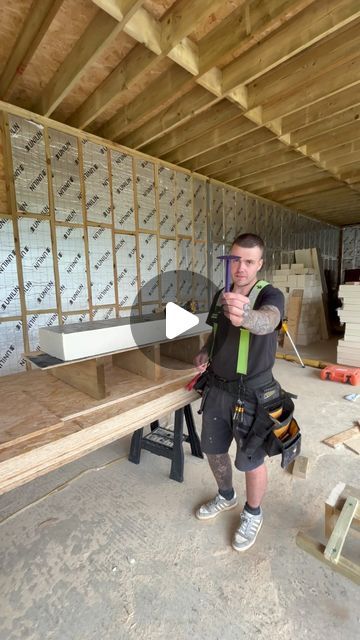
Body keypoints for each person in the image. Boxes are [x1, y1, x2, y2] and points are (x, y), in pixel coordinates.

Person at [194, 233, 285, 552]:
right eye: (235, 260)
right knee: (213, 449)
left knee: (251, 459)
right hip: (218, 390)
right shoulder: (222, 293)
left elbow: (268, 321)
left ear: (260, 264)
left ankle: (253, 513)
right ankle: (226, 496)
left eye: (249, 261)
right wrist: (206, 352)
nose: (241, 267)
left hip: (254, 395)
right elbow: (216, 332)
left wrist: (247, 316)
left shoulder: (270, 294)